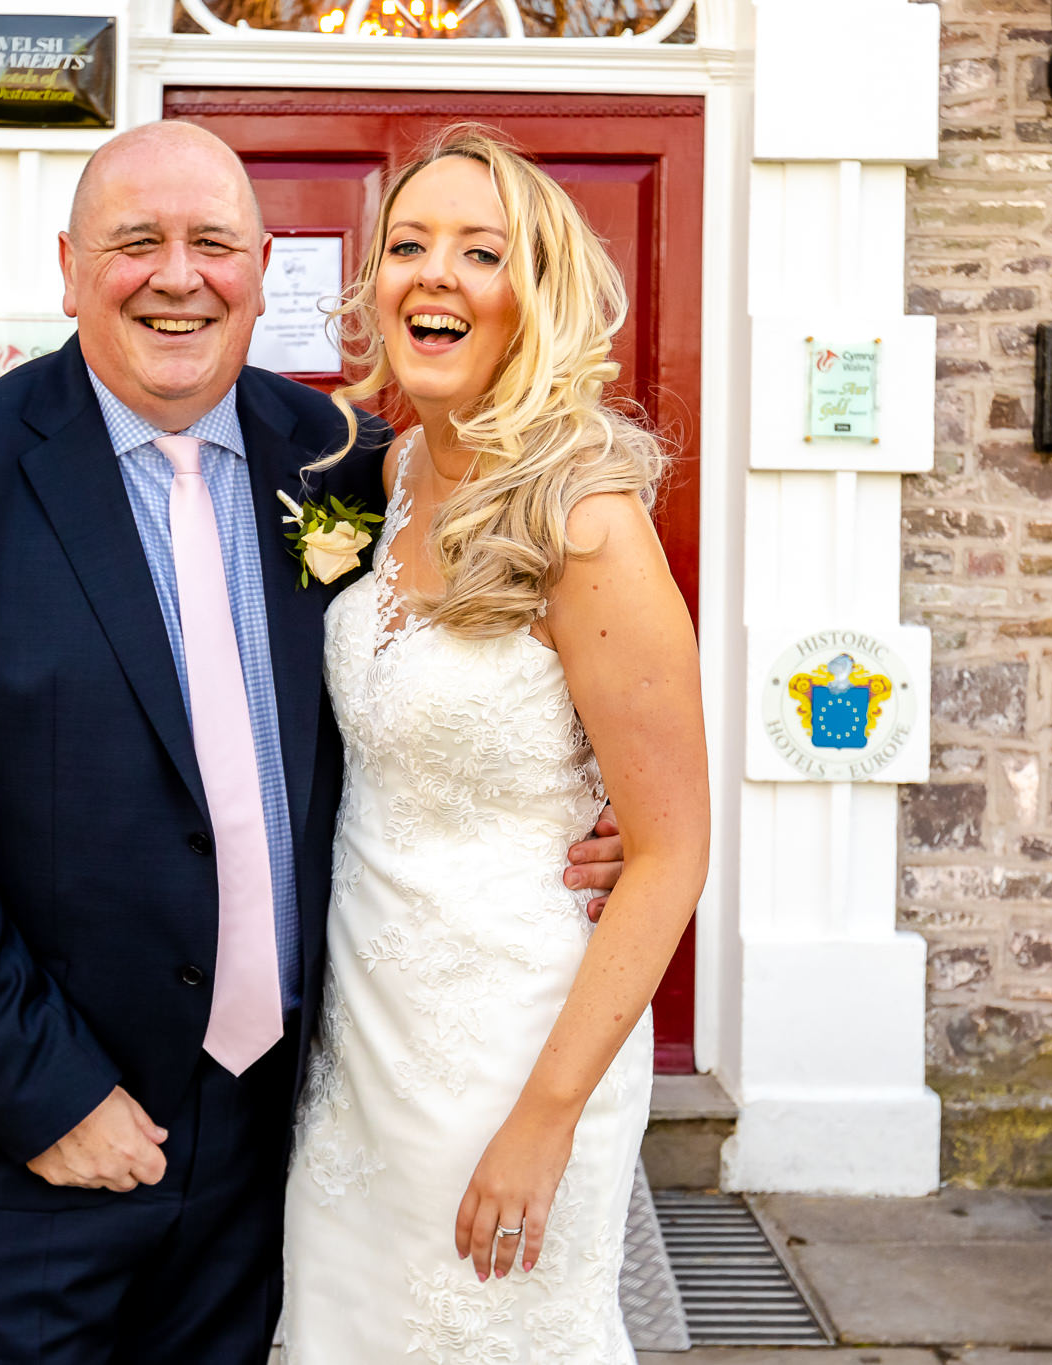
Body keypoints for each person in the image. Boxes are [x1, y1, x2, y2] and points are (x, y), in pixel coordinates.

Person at [0, 120, 627, 1364]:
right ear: (70, 265)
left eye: (211, 242)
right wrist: (50, 1095)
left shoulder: (347, 464)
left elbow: (437, 696)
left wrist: (600, 811)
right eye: (135, 242)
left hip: (276, 1139)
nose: (177, 275)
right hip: (36, 1155)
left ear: (263, 262)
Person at [282, 125, 709, 1362]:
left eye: (481, 251)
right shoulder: (393, 471)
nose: (433, 274)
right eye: (407, 245)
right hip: (362, 1037)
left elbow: (670, 852)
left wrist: (546, 1115)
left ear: (537, 294)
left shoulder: (588, 521)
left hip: (509, 1039)